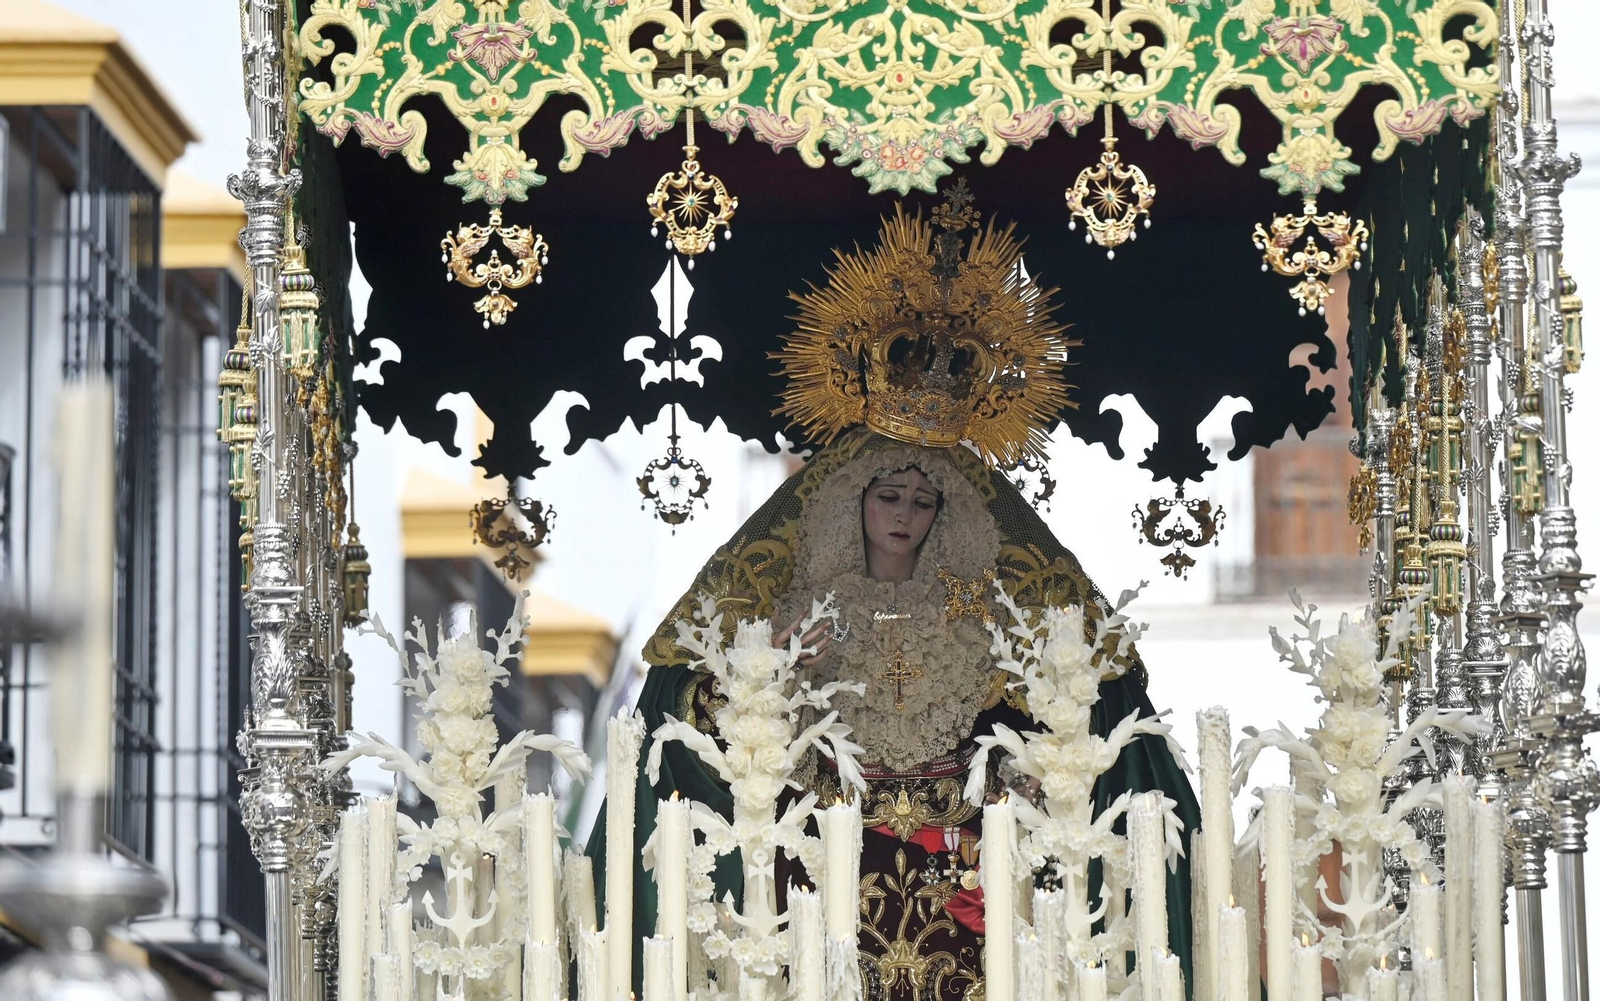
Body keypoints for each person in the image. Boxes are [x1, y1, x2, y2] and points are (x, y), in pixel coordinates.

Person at [592, 183, 1199, 1000]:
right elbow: (719, 721)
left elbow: (1042, 725)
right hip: (825, 878)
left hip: (966, 878)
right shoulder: (806, 607)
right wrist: (766, 676)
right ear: (854, 502)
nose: (903, 517)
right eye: (888, 497)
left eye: (922, 501)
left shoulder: (979, 614)